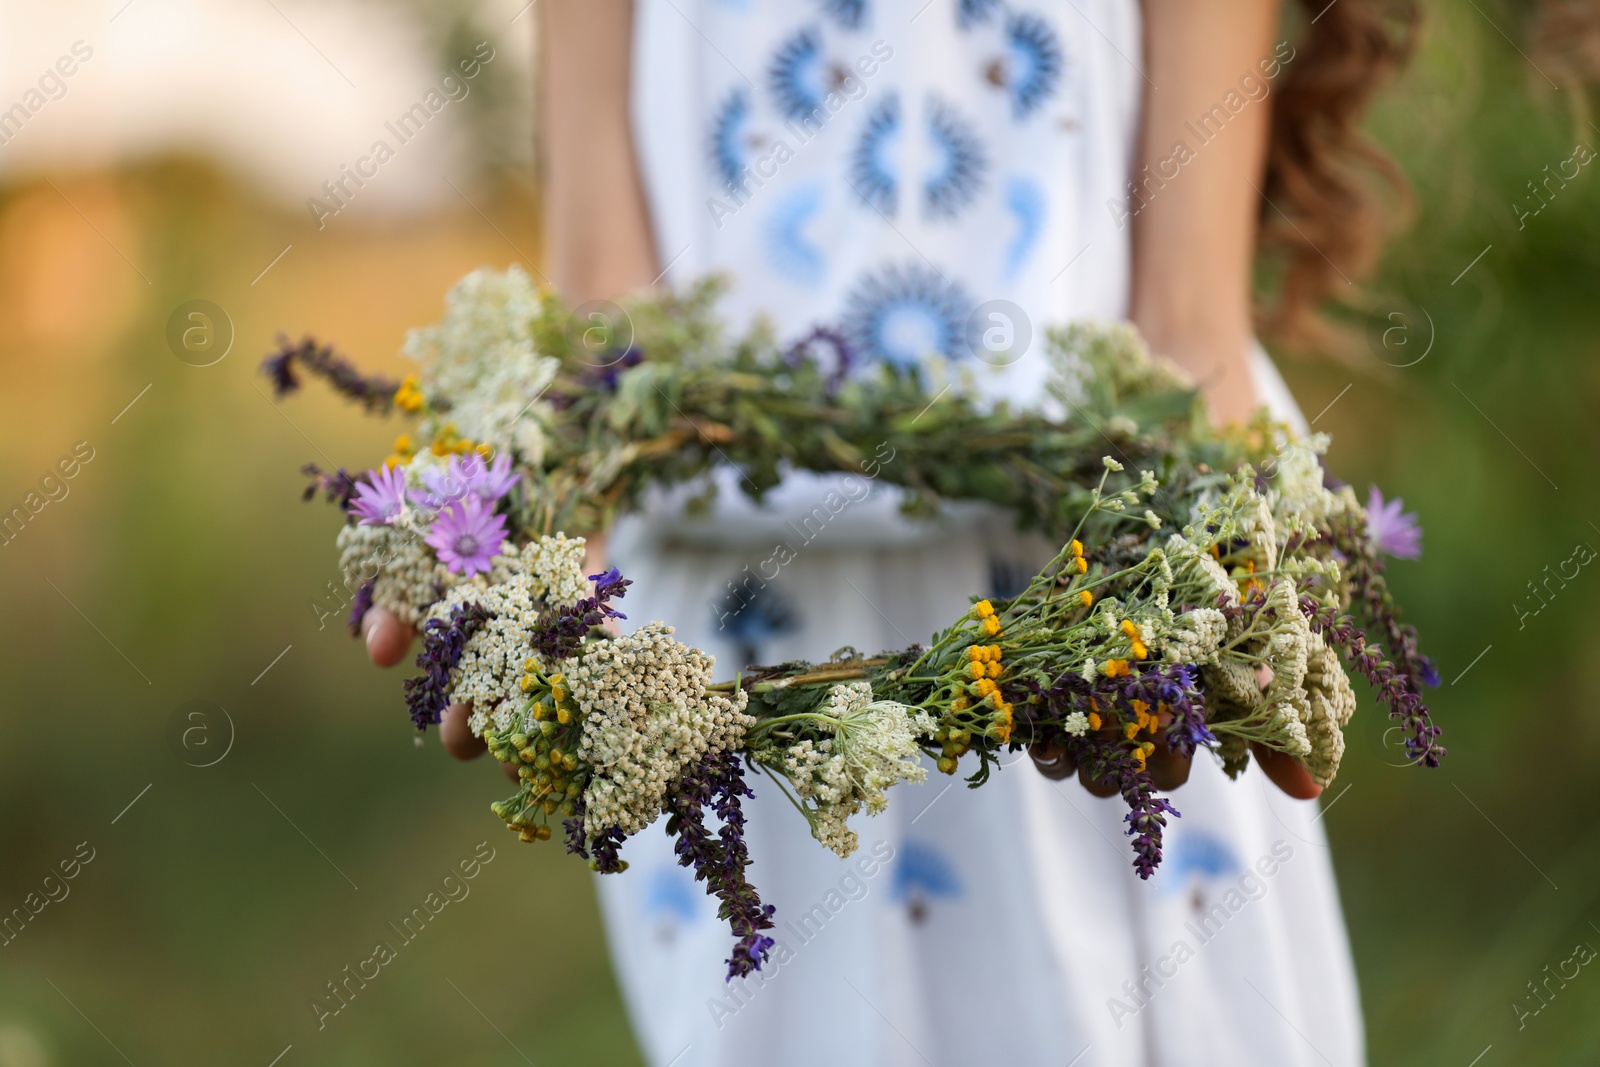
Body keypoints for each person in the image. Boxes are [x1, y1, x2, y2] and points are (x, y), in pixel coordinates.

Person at [363, 2, 1416, 1063]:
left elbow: (1186, 315)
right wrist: (544, 482)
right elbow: (606, 296)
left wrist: (1213, 481)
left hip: (1101, 578)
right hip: (720, 616)